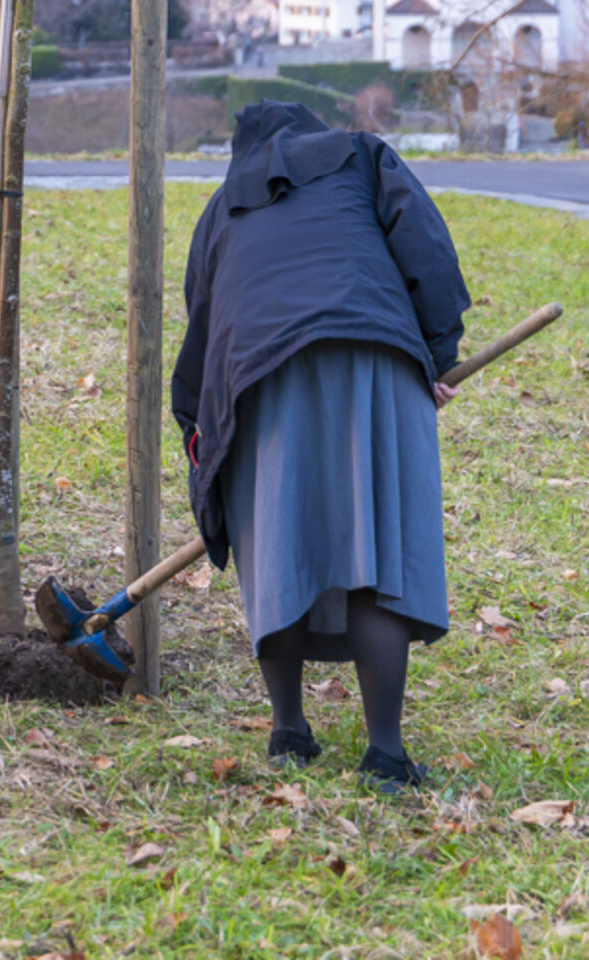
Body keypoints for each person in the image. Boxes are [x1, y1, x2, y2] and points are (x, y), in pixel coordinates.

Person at [169, 101, 471, 790]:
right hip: (373, 355)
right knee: (375, 554)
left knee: (275, 552)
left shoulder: (222, 209)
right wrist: (435, 355)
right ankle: (386, 755)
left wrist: (200, 424)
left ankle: (289, 734)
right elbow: (427, 251)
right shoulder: (363, 156)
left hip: (259, 378)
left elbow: (202, 321)